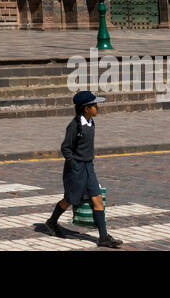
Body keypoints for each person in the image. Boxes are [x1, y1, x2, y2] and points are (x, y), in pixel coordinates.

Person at [43, 90, 122, 248]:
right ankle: (51, 222)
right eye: (94, 105)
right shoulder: (74, 126)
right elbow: (66, 149)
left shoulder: (91, 122)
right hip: (76, 169)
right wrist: (74, 165)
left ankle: (103, 237)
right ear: (86, 108)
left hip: (88, 167)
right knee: (70, 200)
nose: (97, 108)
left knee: (97, 199)